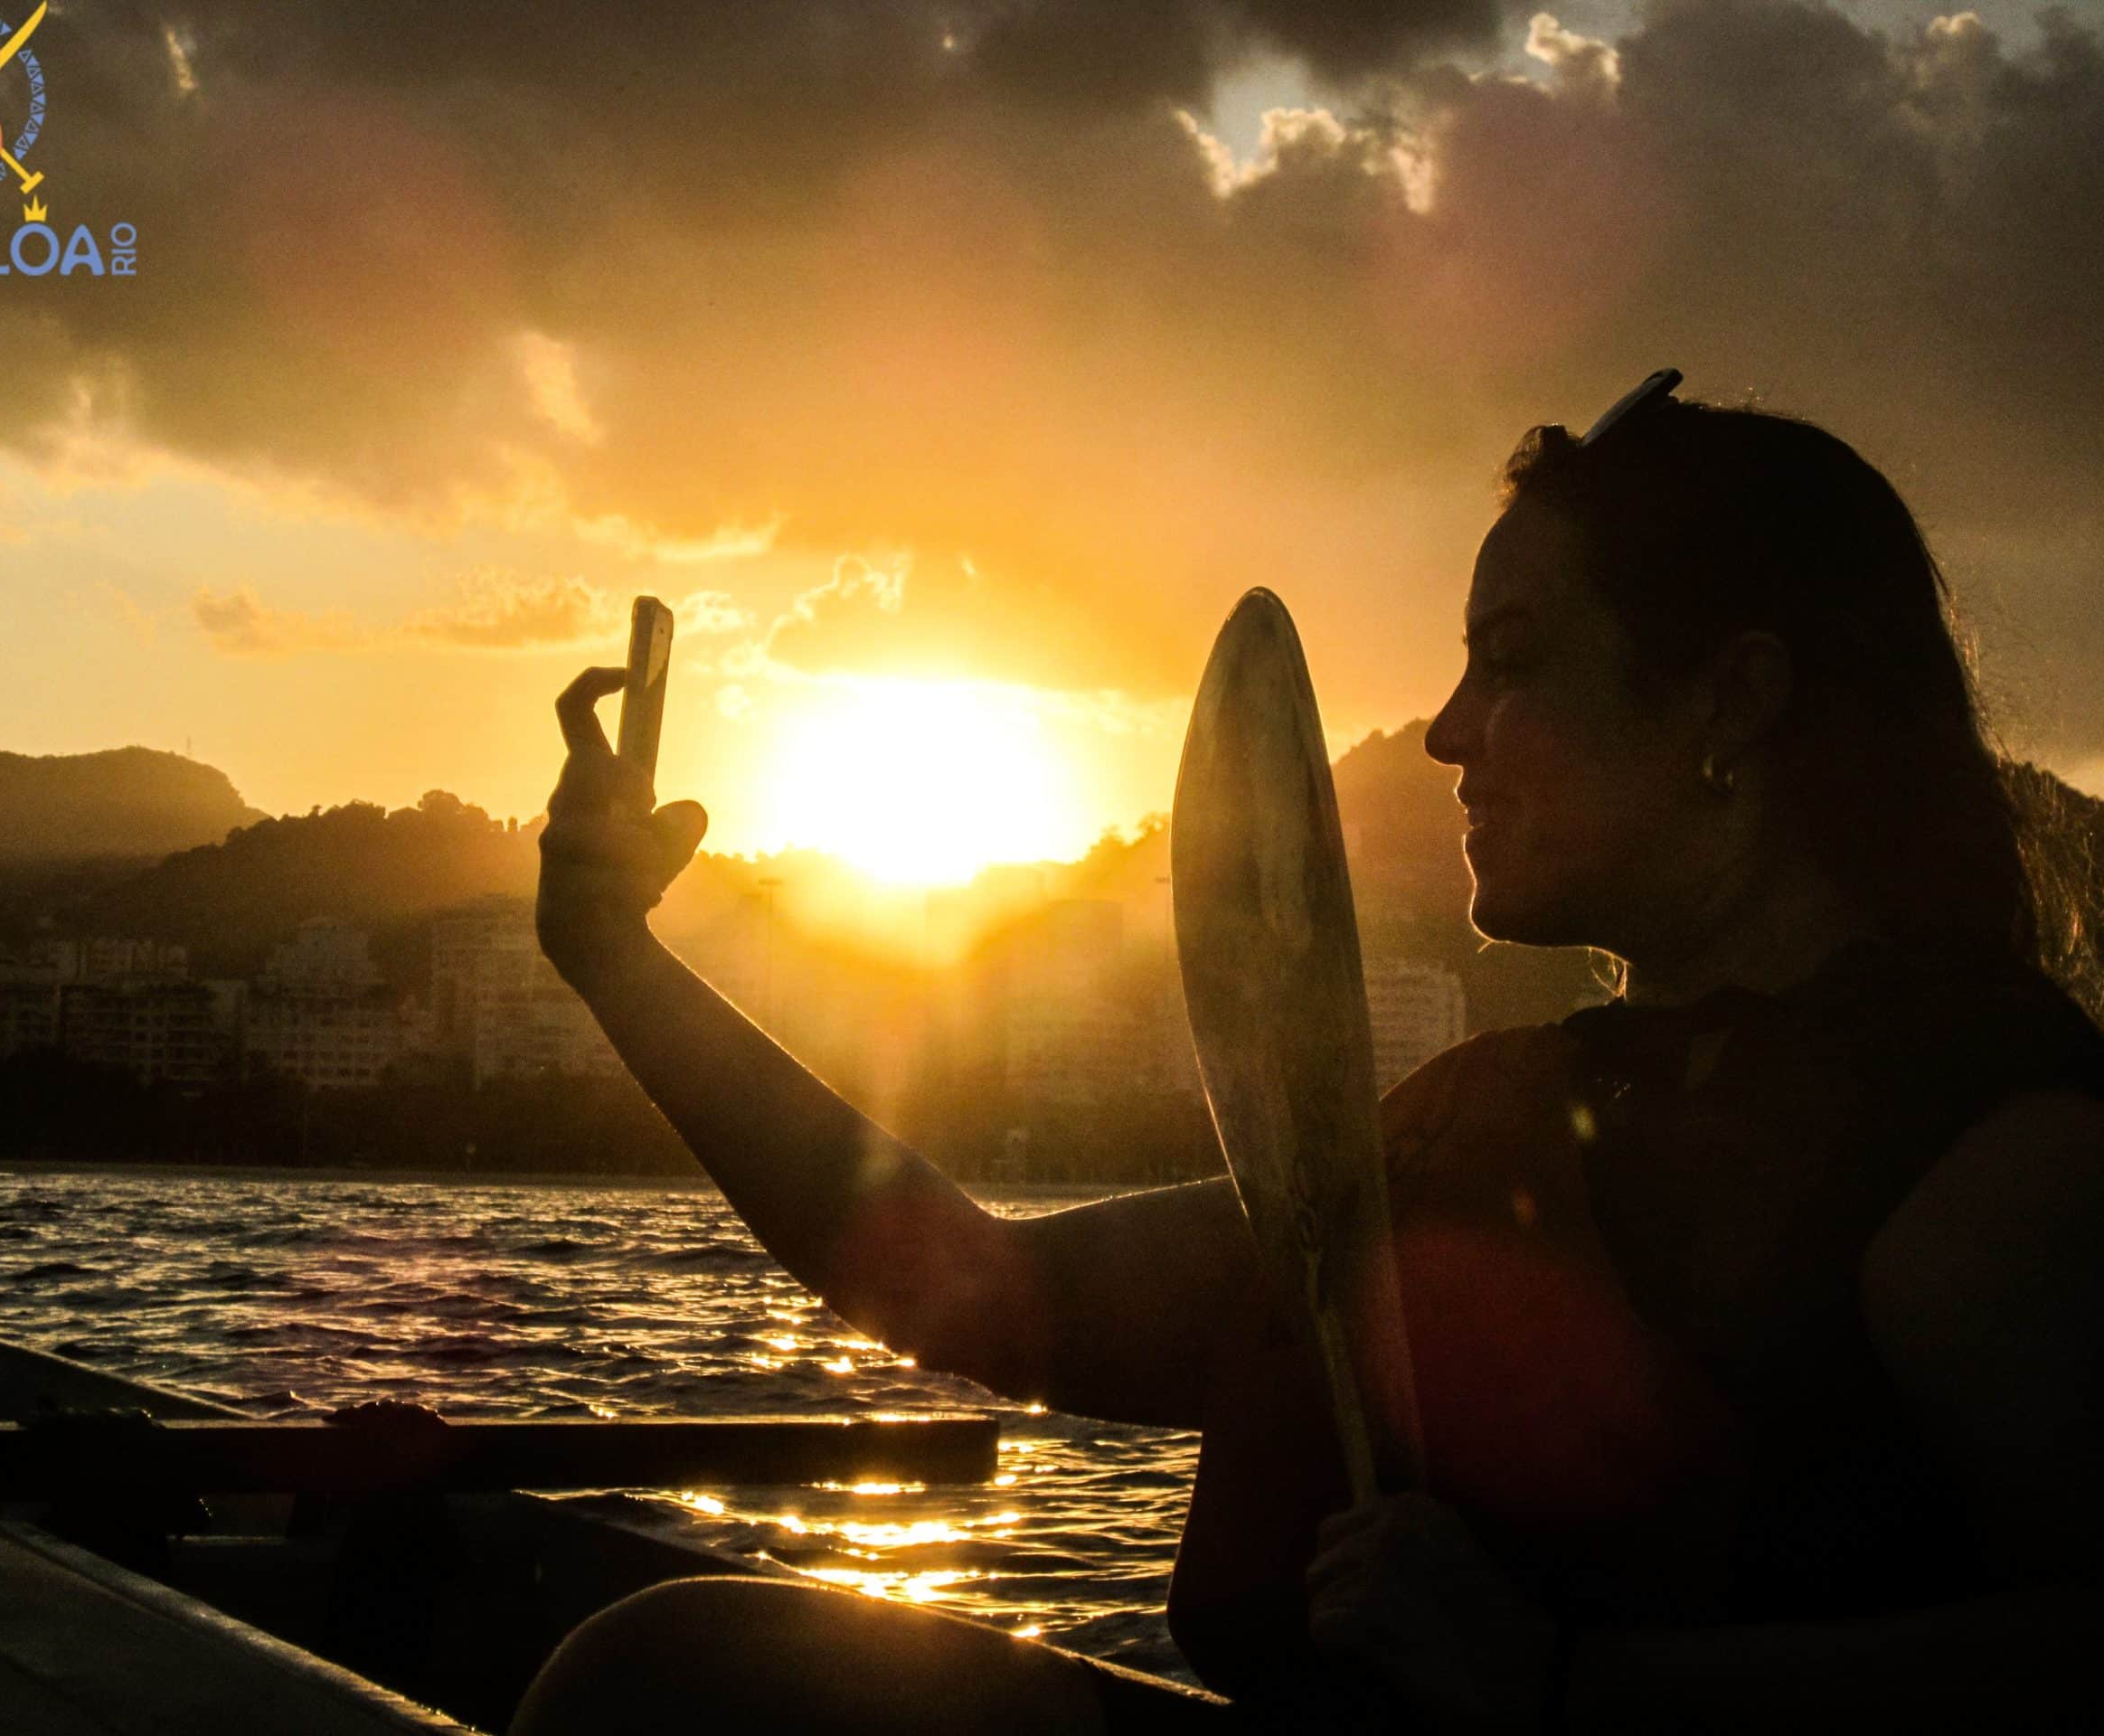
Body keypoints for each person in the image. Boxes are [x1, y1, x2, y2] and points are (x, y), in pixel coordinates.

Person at [512, 377, 2104, 1732]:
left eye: (1516, 658)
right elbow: (979, 1289)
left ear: (1732, 700)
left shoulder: (1994, 1157)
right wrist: (616, 965)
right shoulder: (1505, 1115)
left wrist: (1565, 1685)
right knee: (670, 1674)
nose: (1447, 731)